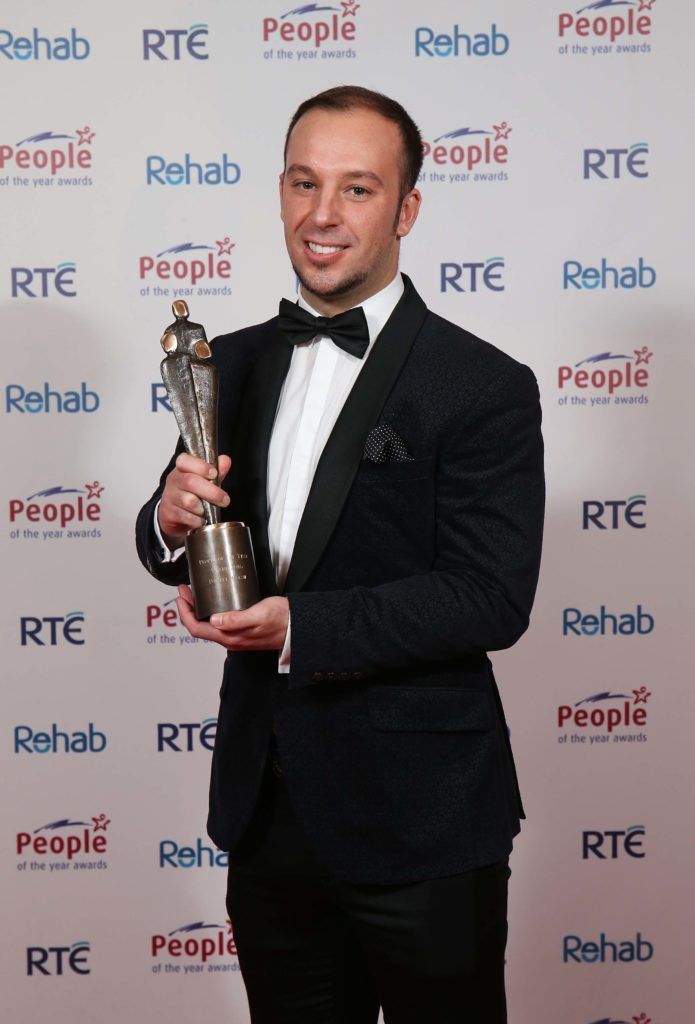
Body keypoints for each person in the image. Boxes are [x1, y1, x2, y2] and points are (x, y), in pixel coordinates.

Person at [136, 85, 544, 1024]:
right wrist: (165, 520)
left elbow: (490, 596)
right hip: (268, 813)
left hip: (424, 823)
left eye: (356, 189)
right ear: (280, 192)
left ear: (405, 210)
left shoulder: (479, 384)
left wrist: (299, 626)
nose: (322, 215)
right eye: (303, 183)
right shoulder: (227, 360)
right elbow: (174, 532)